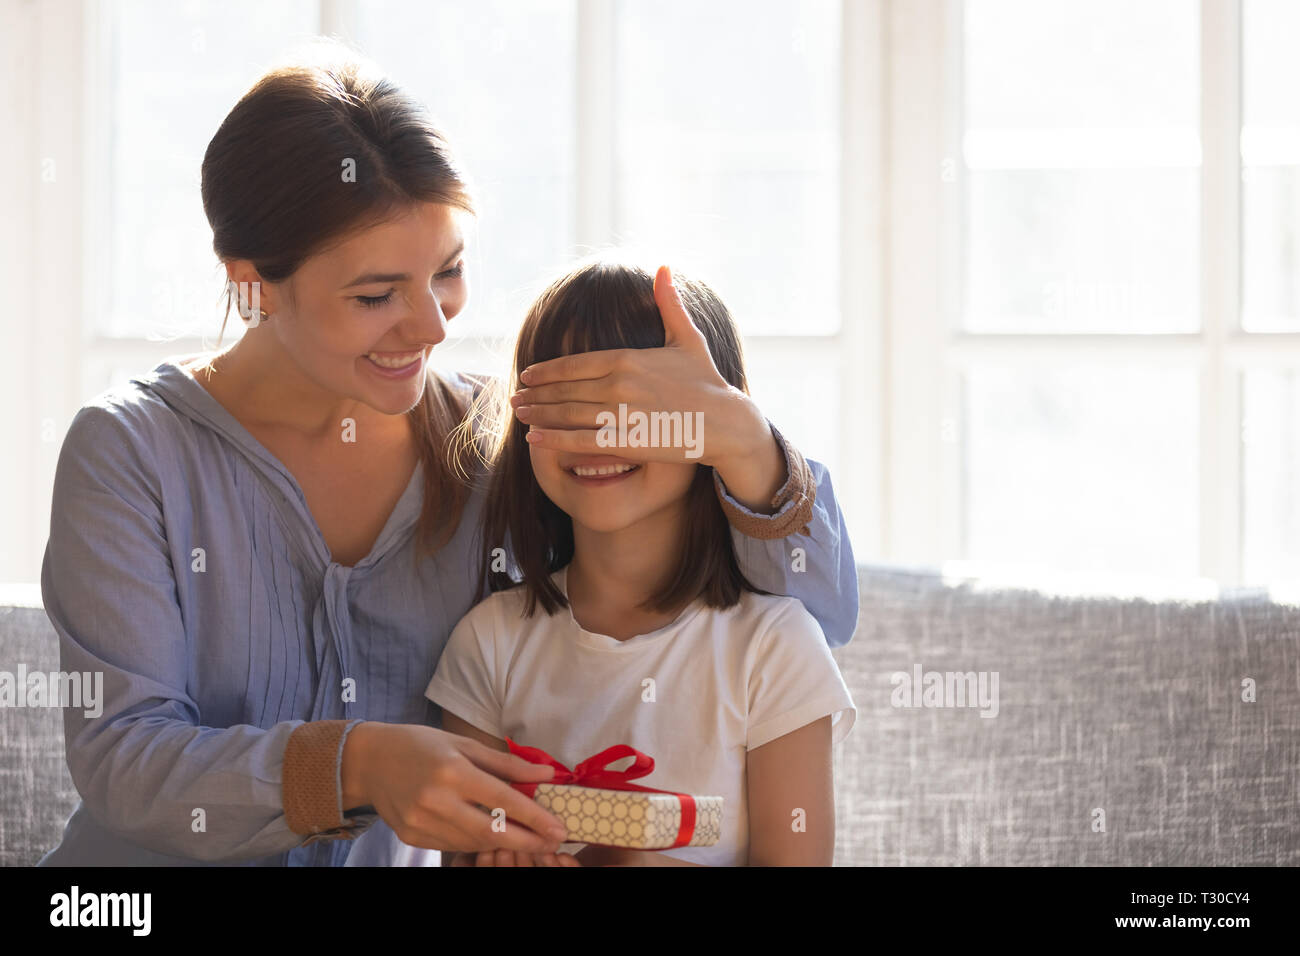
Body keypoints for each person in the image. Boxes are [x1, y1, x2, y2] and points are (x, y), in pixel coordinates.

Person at [37, 45, 859, 867]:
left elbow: (816, 616)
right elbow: (123, 762)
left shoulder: (502, 441)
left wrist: (743, 441)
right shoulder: (129, 453)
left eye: (449, 272)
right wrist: (359, 763)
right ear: (253, 284)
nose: (432, 327)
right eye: (376, 295)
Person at [371, 259, 857, 867]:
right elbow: (465, 850)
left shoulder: (774, 648)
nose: (598, 431)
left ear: (711, 426)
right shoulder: (489, 641)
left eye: (632, 403)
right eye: (563, 401)